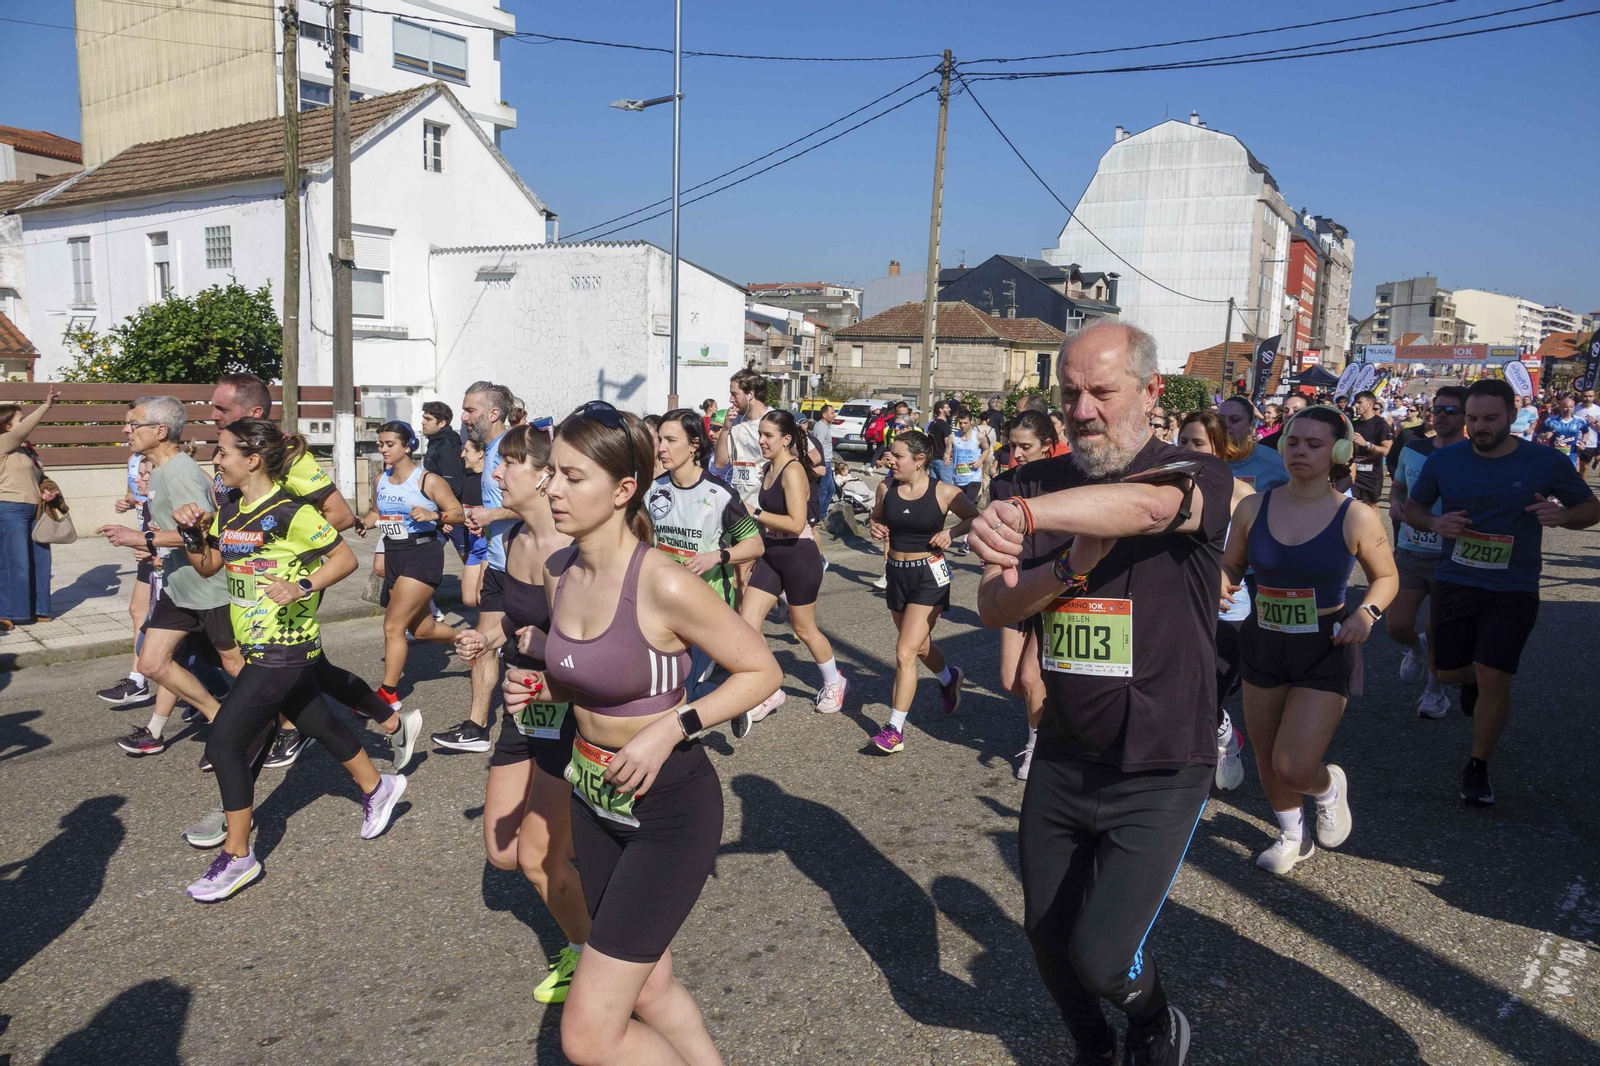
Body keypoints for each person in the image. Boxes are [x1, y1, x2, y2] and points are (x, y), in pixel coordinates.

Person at [973, 322, 1231, 1066]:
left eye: (1102, 392)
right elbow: (995, 607)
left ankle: (1154, 1022)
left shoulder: (1192, 471)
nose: (1082, 410)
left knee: (1103, 954)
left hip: (1161, 760)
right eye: (1069, 392)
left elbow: (1148, 511)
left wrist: (1026, 520)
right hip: (1064, 750)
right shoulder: (1030, 479)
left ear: (1151, 393)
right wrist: (1064, 572)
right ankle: (1095, 1049)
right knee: (1046, 937)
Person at [524, 400, 780, 1066]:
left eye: (572, 477)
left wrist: (673, 727)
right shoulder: (563, 573)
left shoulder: (661, 580)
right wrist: (540, 704)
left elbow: (761, 670)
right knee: (651, 986)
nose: (552, 488)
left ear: (623, 489)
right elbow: (572, 684)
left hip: (669, 805)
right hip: (593, 794)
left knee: (587, 1037)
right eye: (552, 472)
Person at [179, 375, 421, 848]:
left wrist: (299, 578)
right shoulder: (231, 504)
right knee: (312, 712)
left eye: (221, 418)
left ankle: (236, 845)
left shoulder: (292, 477)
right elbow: (210, 564)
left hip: (287, 618)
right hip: (256, 625)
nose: (213, 432)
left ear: (251, 436)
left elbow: (341, 526)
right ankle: (380, 774)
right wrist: (193, 534)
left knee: (230, 740)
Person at [1404, 378, 1599, 806]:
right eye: (1472, 418)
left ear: (1515, 415)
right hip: (1456, 579)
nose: (1480, 427)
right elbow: (1412, 509)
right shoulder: (1445, 461)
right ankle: (1468, 678)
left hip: (1514, 587)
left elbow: (1591, 508)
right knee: (1449, 669)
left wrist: (1564, 515)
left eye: (1491, 419)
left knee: (1497, 675)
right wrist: (1435, 524)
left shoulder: (1544, 462)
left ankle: (1478, 766)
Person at [451, 424, 592, 1004]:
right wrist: (484, 642)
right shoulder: (513, 542)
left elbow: (588, 652)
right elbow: (506, 621)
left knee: (538, 856)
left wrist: (542, 650)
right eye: (497, 462)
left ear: (543, 475)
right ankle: (588, 881)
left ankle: (592, 958)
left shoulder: (570, 551)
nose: (496, 472)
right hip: (521, 711)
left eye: (509, 463)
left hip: (567, 715)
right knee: (503, 852)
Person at [1222, 406, 1396, 875]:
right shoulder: (1253, 506)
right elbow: (1232, 565)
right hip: (1263, 640)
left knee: (1295, 764)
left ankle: (1326, 787)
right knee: (1265, 751)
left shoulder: (1355, 515)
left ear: (1338, 452)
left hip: (1325, 643)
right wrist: (1223, 581)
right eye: (1294, 442)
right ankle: (1292, 835)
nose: (1300, 451)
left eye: (1315, 445)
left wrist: (1367, 612)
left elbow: (1386, 578)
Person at [97, 396, 245, 758]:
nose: (126, 430)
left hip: (209, 588)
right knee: (151, 663)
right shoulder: (161, 470)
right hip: (178, 586)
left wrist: (143, 538)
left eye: (134, 425)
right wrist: (154, 546)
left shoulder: (180, 473)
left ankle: (289, 722)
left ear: (160, 431)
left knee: (237, 665)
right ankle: (222, 721)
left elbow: (206, 531)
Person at [866, 429, 979, 755]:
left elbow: (974, 517)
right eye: (890, 454)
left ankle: (894, 729)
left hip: (929, 575)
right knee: (917, 646)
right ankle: (948, 679)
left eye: (897, 456)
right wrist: (875, 527)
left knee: (904, 652)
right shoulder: (886, 488)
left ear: (919, 460)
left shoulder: (944, 492)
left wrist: (951, 532)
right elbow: (876, 519)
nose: (890, 460)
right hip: (896, 575)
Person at [648, 409, 763, 704]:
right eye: (660, 439)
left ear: (694, 445)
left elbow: (755, 545)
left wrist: (717, 556)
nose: (661, 448)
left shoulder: (720, 494)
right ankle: (732, 703)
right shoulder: (652, 490)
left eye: (671, 440)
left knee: (681, 691)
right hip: (661, 604)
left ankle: (737, 701)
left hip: (706, 607)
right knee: (662, 687)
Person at [740, 410, 849, 722]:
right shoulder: (769, 467)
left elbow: (796, 521)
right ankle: (770, 689)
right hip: (772, 553)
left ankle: (834, 682)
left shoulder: (792, 470)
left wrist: (754, 511)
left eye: (768, 435)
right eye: (760, 434)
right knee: (747, 625)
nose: (761, 440)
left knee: (804, 628)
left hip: (798, 553)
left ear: (786, 439)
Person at [354, 421, 464, 709]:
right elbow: (376, 513)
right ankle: (469, 642)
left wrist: (434, 516)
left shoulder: (427, 480)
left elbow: (457, 513)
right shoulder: (380, 480)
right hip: (395, 554)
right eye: (380, 444)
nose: (383, 449)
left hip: (422, 554)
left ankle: (387, 695)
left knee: (393, 626)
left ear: (408, 446)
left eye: (389, 444)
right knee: (424, 629)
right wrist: (363, 524)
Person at [433, 381, 517, 753]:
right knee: (483, 645)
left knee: (537, 649)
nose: (463, 417)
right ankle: (476, 727)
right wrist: (482, 523)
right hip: (498, 565)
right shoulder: (491, 451)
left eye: (469, 410)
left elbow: (543, 504)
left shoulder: (517, 449)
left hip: (527, 569)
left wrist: (491, 513)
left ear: (493, 414)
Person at [1176, 409, 1254, 792]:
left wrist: (1226, 577)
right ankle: (1224, 739)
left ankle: (1218, 743)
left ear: (1221, 448)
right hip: (1179, 606)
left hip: (1227, 611)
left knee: (1206, 696)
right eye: (1184, 442)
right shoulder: (1168, 490)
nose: (1189, 450)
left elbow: (1253, 556)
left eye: (1199, 444)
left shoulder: (1243, 495)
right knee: (1180, 694)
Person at [987, 410, 1065, 780]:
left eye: (1026, 446)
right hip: (1015, 585)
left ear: (1048, 445)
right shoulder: (1002, 485)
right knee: (1010, 681)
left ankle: (1038, 746)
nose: (1016, 454)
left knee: (1032, 678)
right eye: (1012, 445)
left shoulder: (1065, 480)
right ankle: (1054, 720)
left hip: (1056, 587)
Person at [1388, 387, 1464, 719]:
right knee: (1396, 625)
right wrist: (1393, 501)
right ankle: (1416, 648)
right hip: (1411, 549)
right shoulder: (1413, 447)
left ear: (1465, 416)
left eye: (1452, 410)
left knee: (1439, 630)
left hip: (1453, 555)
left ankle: (1434, 693)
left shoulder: (1473, 453)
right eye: (1438, 409)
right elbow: (1400, 486)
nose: (1443, 415)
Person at [98, 434, 158, 706]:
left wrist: (151, 545)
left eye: (133, 424)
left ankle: (210, 689)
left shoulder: (172, 472)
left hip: (162, 554)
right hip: (149, 551)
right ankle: (137, 679)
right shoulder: (136, 458)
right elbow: (135, 492)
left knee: (180, 630)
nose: (125, 430)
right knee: (138, 611)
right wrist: (128, 500)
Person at [0, 387, 60, 630]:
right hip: (9, 509)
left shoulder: (26, 449)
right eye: (19, 420)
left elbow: (40, 476)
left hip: (35, 509)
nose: (23, 423)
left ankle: (38, 609)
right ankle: (5, 612)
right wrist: (46, 406)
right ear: (6, 426)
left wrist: (47, 489)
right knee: (13, 562)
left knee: (40, 560)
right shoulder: (4, 443)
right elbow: (25, 429)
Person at [714, 367, 770, 513]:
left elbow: (801, 455)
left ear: (750, 394)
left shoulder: (776, 419)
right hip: (740, 506)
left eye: (734, 394)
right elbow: (720, 463)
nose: (730, 400)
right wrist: (725, 429)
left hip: (766, 508)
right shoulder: (734, 422)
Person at [1218, 396, 1289, 490]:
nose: (1226, 425)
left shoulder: (1272, 460)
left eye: (1235, 420)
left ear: (1250, 424)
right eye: (1220, 420)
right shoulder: (1204, 457)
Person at [455, 435, 490, 608]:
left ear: (481, 453)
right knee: (469, 599)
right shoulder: (466, 479)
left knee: (483, 598)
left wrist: (486, 524)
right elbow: (461, 510)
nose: (462, 455)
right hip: (474, 543)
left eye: (467, 451)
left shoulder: (491, 481)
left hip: (490, 545)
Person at [1347, 391, 1393, 514]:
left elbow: (1387, 451)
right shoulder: (1353, 424)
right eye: (1355, 402)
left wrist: (1366, 444)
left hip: (1371, 474)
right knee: (1352, 506)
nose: (1356, 406)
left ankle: (1376, 533)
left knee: (1372, 508)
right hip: (1353, 473)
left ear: (1370, 404)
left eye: (1359, 402)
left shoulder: (1381, 424)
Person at [1543, 395, 1585, 469]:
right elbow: (1540, 433)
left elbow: (1586, 432)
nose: (1568, 409)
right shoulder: (1550, 421)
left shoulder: (1580, 421)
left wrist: (1583, 442)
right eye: (1565, 407)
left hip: (1572, 454)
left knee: (1569, 475)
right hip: (1554, 453)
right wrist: (1545, 435)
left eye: (1571, 407)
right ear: (1560, 407)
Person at [813, 404, 838, 518]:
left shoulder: (823, 426)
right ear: (824, 415)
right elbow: (818, 445)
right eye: (832, 413)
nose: (834, 415)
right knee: (823, 491)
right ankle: (819, 515)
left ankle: (822, 513)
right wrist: (820, 463)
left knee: (830, 490)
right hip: (824, 462)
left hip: (827, 461)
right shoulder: (822, 428)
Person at [926, 400, 953, 484]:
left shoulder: (931, 424)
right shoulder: (945, 425)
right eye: (947, 407)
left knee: (934, 485)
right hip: (943, 460)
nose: (950, 409)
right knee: (947, 485)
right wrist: (951, 455)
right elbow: (947, 443)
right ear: (940, 410)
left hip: (933, 458)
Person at [1574, 387, 1599, 478]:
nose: (1587, 399)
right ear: (1581, 396)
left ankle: (1581, 484)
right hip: (1575, 441)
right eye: (1585, 396)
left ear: (1594, 397)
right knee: (1575, 465)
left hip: (1590, 442)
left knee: (1584, 466)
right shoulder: (1575, 409)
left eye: (1590, 396)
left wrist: (1595, 421)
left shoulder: (1598, 410)